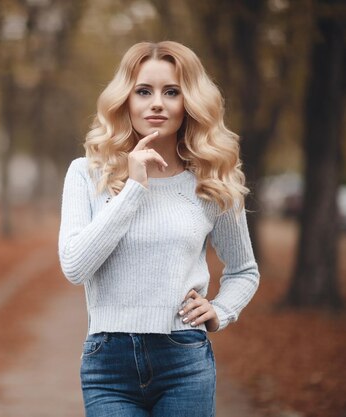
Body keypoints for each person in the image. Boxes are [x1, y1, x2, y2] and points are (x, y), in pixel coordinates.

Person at [58, 41, 260, 417]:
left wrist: (220, 310)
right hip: (108, 366)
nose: (156, 103)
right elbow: (74, 266)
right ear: (125, 100)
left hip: (184, 359)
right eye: (143, 91)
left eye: (171, 92)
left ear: (189, 103)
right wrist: (134, 187)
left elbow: (244, 270)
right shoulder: (86, 173)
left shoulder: (211, 182)